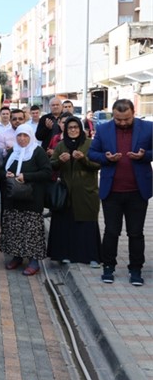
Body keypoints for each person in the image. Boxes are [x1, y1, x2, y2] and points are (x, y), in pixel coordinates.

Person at [88, 99, 153, 286]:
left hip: (138, 191)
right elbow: (92, 153)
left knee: (136, 233)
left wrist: (145, 156)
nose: (122, 123)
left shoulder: (148, 128)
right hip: (112, 191)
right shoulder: (104, 129)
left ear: (134, 112)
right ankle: (108, 267)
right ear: (113, 115)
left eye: (126, 119)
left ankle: (136, 270)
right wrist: (106, 158)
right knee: (111, 232)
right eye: (118, 119)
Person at [47, 116, 101, 266]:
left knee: (86, 224)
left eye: (76, 127)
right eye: (70, 127)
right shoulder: (61, 145)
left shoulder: (90, 144)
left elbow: (97, 164)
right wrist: (59, 161)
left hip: (85, 192)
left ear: (81, 129)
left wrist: (83, 159)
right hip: (66, 193)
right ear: (65, 129)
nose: (73, 130)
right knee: (65, 224)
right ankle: (64, 255)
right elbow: (51, 165)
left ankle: (90, 256)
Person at [0, 124, 52, 276]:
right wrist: (7, 174)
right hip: (14, 198)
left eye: (25, 136)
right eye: (19, 136)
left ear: (30, 136)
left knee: (31, 230)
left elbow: (47, 172)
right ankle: (17, 256)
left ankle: (34, 261)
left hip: (32, 199)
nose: (22, 139)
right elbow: (2, 169)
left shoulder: (37, 152)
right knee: (15, 229)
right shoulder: (13, 152)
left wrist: (26, 176)